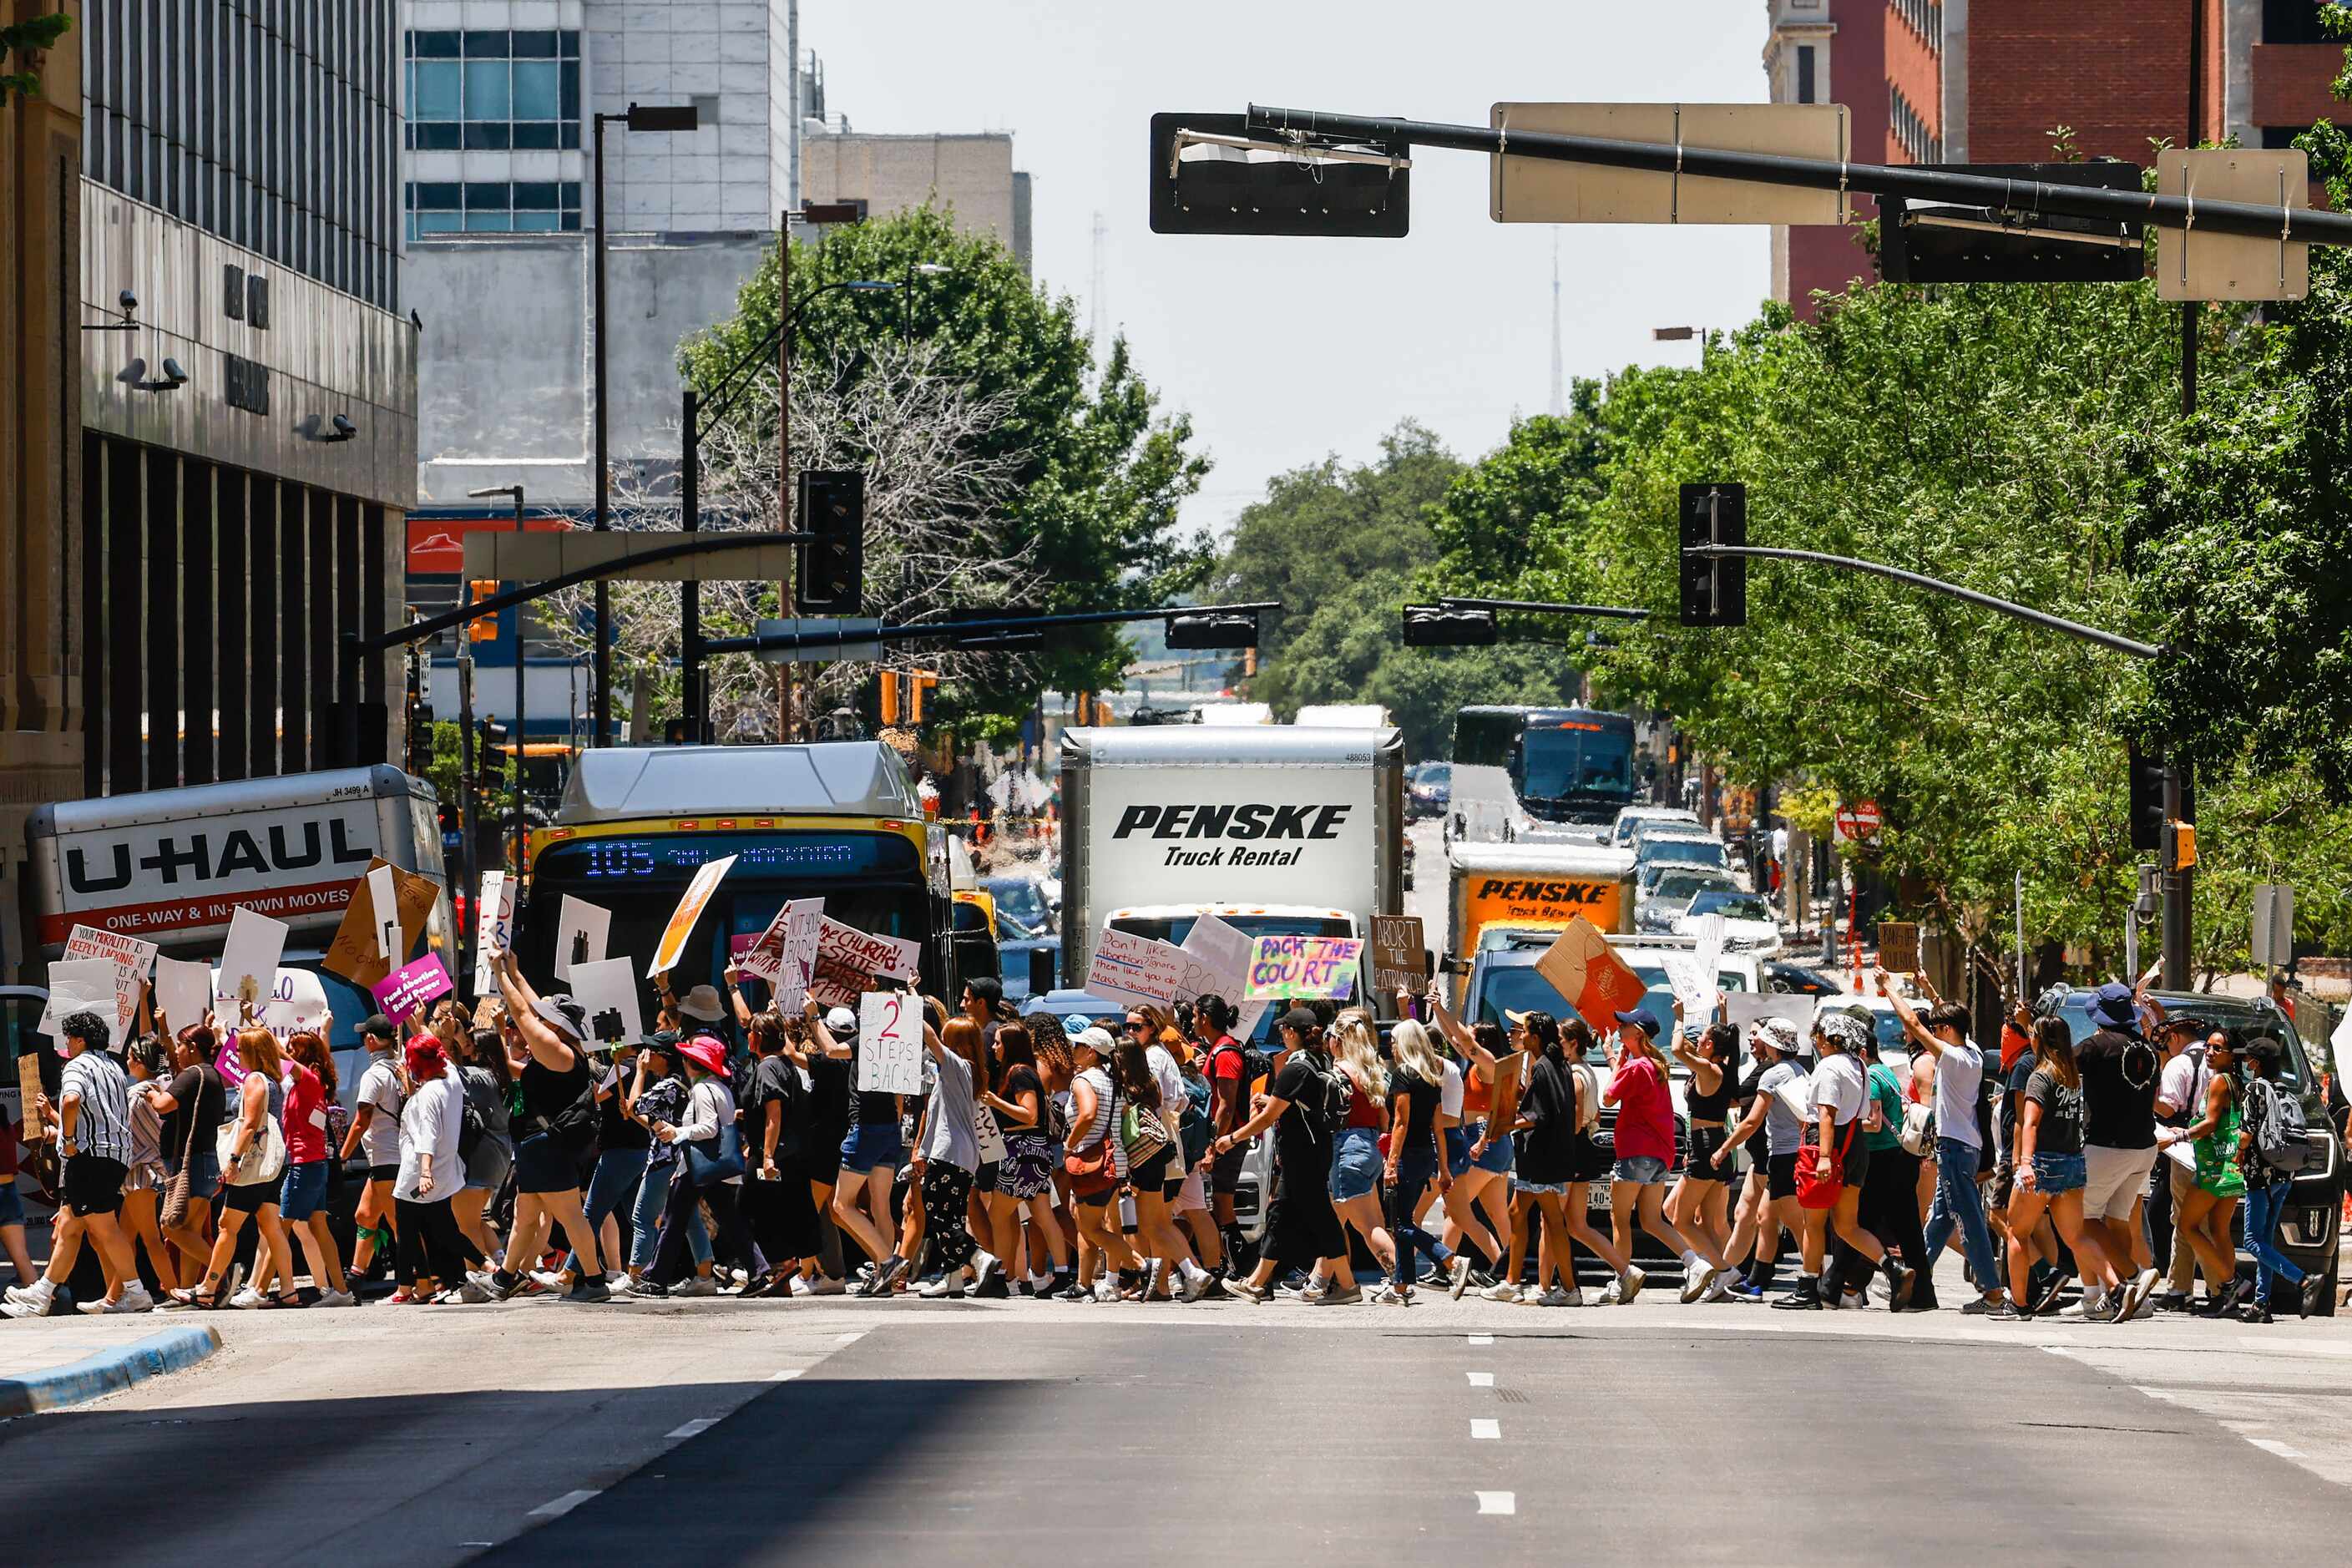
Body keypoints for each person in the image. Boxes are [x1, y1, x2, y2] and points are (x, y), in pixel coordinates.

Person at [479, 951, 609, 1303]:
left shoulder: (557, 1050)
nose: (541, 1018)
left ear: (557, 1025)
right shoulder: (564, 1048)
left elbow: (523, 1013)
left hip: (547, 1146)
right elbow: (533, 1007)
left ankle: (595, 1282)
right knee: (525, 1215)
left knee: (570, 1217)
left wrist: (499, 975)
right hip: (539, 1145)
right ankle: (505, 1279)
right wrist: (516, 972)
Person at [5, 1012, 149, 1317]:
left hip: (87, 1157)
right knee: (71, 1225)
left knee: (105, 1228)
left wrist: (68, 1139)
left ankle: (136, 1293)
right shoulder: (114, 1066)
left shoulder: (78, 1065)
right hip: (115, 1156)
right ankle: (42, 1295)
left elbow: (71, 1100)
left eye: (69, 1039)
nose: (67, 1045)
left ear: (80, 1039)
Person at [1213, 1008, 1359, 1305]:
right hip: (1312, 1150)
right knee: (1283, 1216)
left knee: (1319, 1218)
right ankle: (1257, 1282)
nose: (1281, 1034)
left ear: (1293, 1033)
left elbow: (1269, 1117)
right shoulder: (1318, 1061)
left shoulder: (1296, 1068)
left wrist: (1232, 1138)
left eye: (1283, 1030)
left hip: (1302, 1154)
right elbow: (1299, 1105)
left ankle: (1347, 1285)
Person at [1774, 1013, 1911, 1313]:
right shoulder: (1859, 1066)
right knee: (1847, 1225)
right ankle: (1894, 1269)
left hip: (1828, 1147)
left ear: (1833, 1038)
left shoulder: (1828, 1066)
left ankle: (1807, 1289)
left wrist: (1823, 1156)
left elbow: (1827, 1113)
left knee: (1814, 1223)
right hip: (1855, 1147)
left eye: (1820, 1034)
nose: (1817, 1040)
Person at [1889, 982, 2010, 1314]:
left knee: (1969, 1220)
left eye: (1938, 1029)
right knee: (1940, 1220)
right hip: (1963, 1147)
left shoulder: (1954, 1057)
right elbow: (1949, 1017)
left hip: (1955, 1148)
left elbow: (1914, 1024)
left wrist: (1888, 988)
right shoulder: (1972, 1051)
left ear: (1944, 1030)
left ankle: (1994, 1292)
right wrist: (1926, 986)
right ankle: (1914, 1281)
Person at [1604, 1008, 1729, 1302]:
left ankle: (1622, 1279)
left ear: (1638, 1034)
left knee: (1619, 1217)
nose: (1619, 1029)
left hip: (1635, 1150)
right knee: (1651, 1220)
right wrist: (1618, 1057)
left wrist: (1617, 1060)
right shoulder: (1654, 1065)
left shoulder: (1637, 1068)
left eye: (1625, 1026)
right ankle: (1696, 1264)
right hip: (1659, 1153)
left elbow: (1609, 1097)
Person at [172, 1027, 301, 1311]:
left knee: (226, 1226)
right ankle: (289, 1290)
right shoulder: (273, 1081)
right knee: (271, 1227)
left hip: (251, 1165)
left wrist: (232, 1161)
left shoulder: (255, 1080)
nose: (236, 1054)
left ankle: (207, 1288)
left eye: (241, 1049)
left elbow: (250, 1124)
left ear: (253, 1052)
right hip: (271, 1164)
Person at [2002, 1015, 2107, 1320]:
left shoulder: (2041, 1076)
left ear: (2041, 1040)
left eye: (2033, 1033)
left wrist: (2024, 1163)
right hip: (2072, 1162)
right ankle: (2116, 1287)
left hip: (2043, 1164)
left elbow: (2030, 1122)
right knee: (2076, 1237)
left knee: (2016, 1232)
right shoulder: (2071, 1076)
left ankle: (2019, 1304)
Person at [2071, 980, 2164, 1322]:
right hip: (2144, 1147)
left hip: (2106, 1147)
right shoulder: (2150, 1052)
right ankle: (2131, 1296)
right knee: (2117, 1220)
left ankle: (2133, 1276)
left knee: (2081, 1221)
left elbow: (2061, 1068)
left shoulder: (2096, 1046)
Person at [646, 1034, 756, 1296]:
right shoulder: (721, 1087)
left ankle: (655, 1279)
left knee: (672, 1223)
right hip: (713, 1167)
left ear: (691, 1063)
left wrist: (678, 1133)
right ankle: (760, 1271)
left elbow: (708, 1129)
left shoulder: (702, 1089)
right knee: (731, 1222)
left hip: (698, 1168)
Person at [1109, 1032, 1210, 1302]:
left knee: (1139, 1225)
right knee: (1157, 1225)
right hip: (1158, 1158)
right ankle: (1189, 1272)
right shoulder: (1151, 1086)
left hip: (1136, 1162)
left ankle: (1157, 1276)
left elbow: (1118, 1131)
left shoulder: (1124, 1092)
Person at [620, 1035, 716, 1296]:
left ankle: (635, 1275)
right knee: (689, 1219)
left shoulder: (667, 1086)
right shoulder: (684, 1083)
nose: (645, 1054)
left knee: (642, 1217)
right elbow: (655, 1123)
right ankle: (705, 1275)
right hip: (683, 1159)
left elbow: (634, 1105)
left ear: (663, 1056)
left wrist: (639, 1072)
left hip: (663, 1160)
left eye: (651, 1050)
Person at [2238, 1036, 2324, 1321]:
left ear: (2256, 1063)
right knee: (2266, 1242)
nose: (2245, 1063)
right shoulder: (2285, 1091)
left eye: (2248, 1058)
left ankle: (2303, 1279)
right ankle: (2261, 1304)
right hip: (2283, 1174)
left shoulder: (2255, 1089)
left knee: (2252, 1241)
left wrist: (2236, 1153)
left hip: (2259, 1177)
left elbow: (2247, 1134)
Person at [2160, 1029, 2246, 1317]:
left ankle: (2231, 1283)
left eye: (2218, 1049)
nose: (2209, 1052)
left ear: (2232, 1055)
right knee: (2221, 1232)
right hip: (2231, 1166)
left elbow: (2209, 1123)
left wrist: (2178, 1137)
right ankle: (2224, 1295)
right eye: (2208, 1046)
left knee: (2187, 1226)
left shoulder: (2219, 1081)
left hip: (2212, 1168)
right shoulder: (2235, 1082)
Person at [979, 1022, 1068, 1297]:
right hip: (1035, 1151)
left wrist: (995, 1102)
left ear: (1010, 1045)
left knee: (998, 1214)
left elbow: (1028, 1114)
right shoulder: (1027, 1072)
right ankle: (1061, 1273)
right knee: (1042, 1214)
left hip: (1020, 1151)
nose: (994, 1048)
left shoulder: (1018, 1074)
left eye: (997, 1042)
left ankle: (1001, 1276)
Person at [1378, 1018, 1461, 1302]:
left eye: (1394, 1041)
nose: (1391, 1046)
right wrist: (1444, 1167)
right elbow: (1437, 1128)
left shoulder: (1404, 1074)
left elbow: (1400, 1123)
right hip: (1425, 1156)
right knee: (1405, 1221)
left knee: (1401, 1224)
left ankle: (1450, 1260)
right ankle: (1400, 1285)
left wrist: (1391, 1164)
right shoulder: (1430, 1077)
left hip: (1406, 1157)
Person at [387, 1035, 475, 1302]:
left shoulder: (428, 1094)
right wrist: (419, 1024)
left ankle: (410, 1287)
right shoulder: (451, 1080)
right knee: (437, 1228)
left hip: (419, 1173)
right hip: (443, 1169)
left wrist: (424, 1173)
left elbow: (428, 1136)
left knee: (417, 1230)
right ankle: (450, 1279)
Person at [741, 1010, 819, 1297]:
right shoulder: (784, 1065)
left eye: (750, 1031)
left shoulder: (767, 1068)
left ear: (758, 1038)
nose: (747, 1036)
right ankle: (781, 1279)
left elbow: (774, 1113)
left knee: (747, 1209)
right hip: (788, 1154)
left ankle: (782, 1265)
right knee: (776, 1211)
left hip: (772, 1156)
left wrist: (768, 1156)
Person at [831, 998, 908, 1284]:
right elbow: (899, 1095)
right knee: (880, 1206)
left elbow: (831, 1050)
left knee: (841, 1205)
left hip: (865, 1128)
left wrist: (814, 1018)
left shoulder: (865, 1040)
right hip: (890, 1128)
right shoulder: (894, 1043)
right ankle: (882, 1275)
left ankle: (886, 1261)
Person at [1325, 1010, 1399, 1288]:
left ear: (1340, 1040)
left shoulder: (1338, 1073)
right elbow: (1384, 1121)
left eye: (1331, 1036)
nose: (1328, 1041)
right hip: (1369, 1148)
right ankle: (1318, 1281)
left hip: (1347, 1149)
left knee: (1368, 1227)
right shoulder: (1372, 1071)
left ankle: (1400, 1279)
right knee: (1341, 1219)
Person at [1060, 1025, 1132, 1302]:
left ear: (1090, 1052)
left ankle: (1140, 1265)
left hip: (1093, 1161)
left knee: (1089, 1226)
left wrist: (1070, 1145)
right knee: (1102, 1223)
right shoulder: (1114, 1080)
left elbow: (1088, 1114)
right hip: (1115, 1160)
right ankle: (1085, 1283)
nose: (1073, 1050)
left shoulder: (1083, 1080)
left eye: (1078, 1046)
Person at [281, 1032, 354, 1307]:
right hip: (311, 1163)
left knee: (278, 1229)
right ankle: (342, 1291)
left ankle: (259, 1290)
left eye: (294, 1049)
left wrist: (257, 1025)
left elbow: (282, 1057)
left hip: (305, 1164)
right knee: (318, 1228)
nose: (289, 1052)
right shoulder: (309, 1084)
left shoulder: (309, 1080)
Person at [2152, 1016, 2219, 1311]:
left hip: (2186, 1148)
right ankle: (2179, 1288)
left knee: (2189, 1220)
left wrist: (2147, 1093)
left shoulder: (2180, 1064)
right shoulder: (2215, 1060)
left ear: (2175, 1037)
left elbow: (2167, 1107)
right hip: (2217, 1149)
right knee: (2191, 1219)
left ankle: (2221, 1286)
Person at [1667, 1018, 1738, 1272]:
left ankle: (1721, 1271)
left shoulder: (1709, 1070)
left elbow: (1676, 1049)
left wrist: (1679, 1017)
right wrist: (1723, 1013)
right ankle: (1714, 1272)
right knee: (1705, 1222)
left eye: (1702, 1038)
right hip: (1709, 1145)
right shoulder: (1718, 1068)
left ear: (1709, 1044)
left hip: (1707, 1147)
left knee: (1680, 1219)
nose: (1696, 1040)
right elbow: (1725, 1042)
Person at [341, 1014, 405, 1282]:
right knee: (365, 1215)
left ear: (370, 1039)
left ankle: (418, 1279)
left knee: (398, 1223)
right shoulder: (401, 1067)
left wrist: (342, 1156)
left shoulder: (374, 1075)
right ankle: (356, 1277)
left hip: (385, 1156)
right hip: (391, 1155)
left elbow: (361, 1120)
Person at [121, 1034, 180, 1297]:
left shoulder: (138, 1092)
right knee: (125, 1238)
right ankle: (115, 1296)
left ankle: (173, 1290)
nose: (127, 1060)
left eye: (131, 1057)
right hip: (150, 1168)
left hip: (140, 1171)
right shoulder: (163, 1087)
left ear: (140, 1062)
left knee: (150, 1239)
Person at [453, 1027, 517, 1267]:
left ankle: (476, 1277)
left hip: (480, 1157)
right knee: (476, 1221)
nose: (465, 1048)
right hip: (497, 1158)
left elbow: (447, 1069)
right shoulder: (500, 1075)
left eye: (469, 1044)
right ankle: (498, 1265)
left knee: (466, 1225)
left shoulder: (479, 1077)